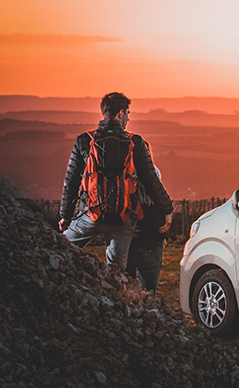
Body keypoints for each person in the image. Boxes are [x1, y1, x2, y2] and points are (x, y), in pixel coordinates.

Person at [59, 92, 173, 271]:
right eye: (127, 113)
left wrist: (65, 215)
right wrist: (167, 209)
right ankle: (114, 294)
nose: (128, 118)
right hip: (124, 217)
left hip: (91, 215)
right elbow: (151, 180)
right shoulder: (135, 142)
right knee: (117, 270)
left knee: (60, 249)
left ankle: (67, 285)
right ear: (120, 113)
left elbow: (71, 181)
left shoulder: (85, 140)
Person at [126, 145, 170, 292]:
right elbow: (159, 220)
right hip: (150, 244)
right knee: (149, 292)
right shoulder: (155, 188)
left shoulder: (123, 185)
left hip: (125, 244)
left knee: (126, 292)